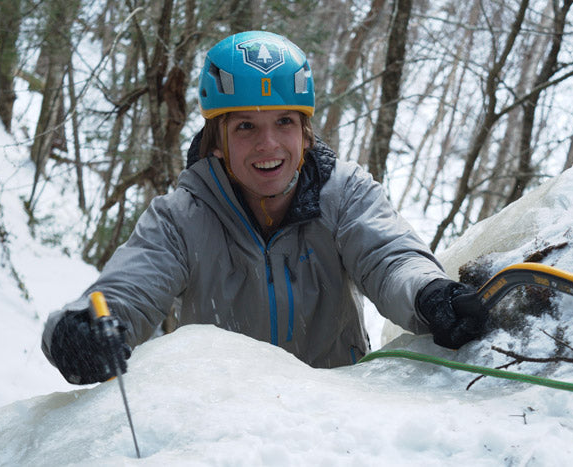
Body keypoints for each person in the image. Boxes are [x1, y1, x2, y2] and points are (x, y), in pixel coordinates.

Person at [41, 31, 487, 385]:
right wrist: (80, 331)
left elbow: (389, 259)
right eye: (246, 126)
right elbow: (127, 292)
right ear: (217, 142)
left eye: (284, 122)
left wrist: (429, 296)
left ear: (306, 133)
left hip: (342, 411)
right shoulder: (180, 217)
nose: (268, 144)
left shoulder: (346, 193)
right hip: (224, 418)